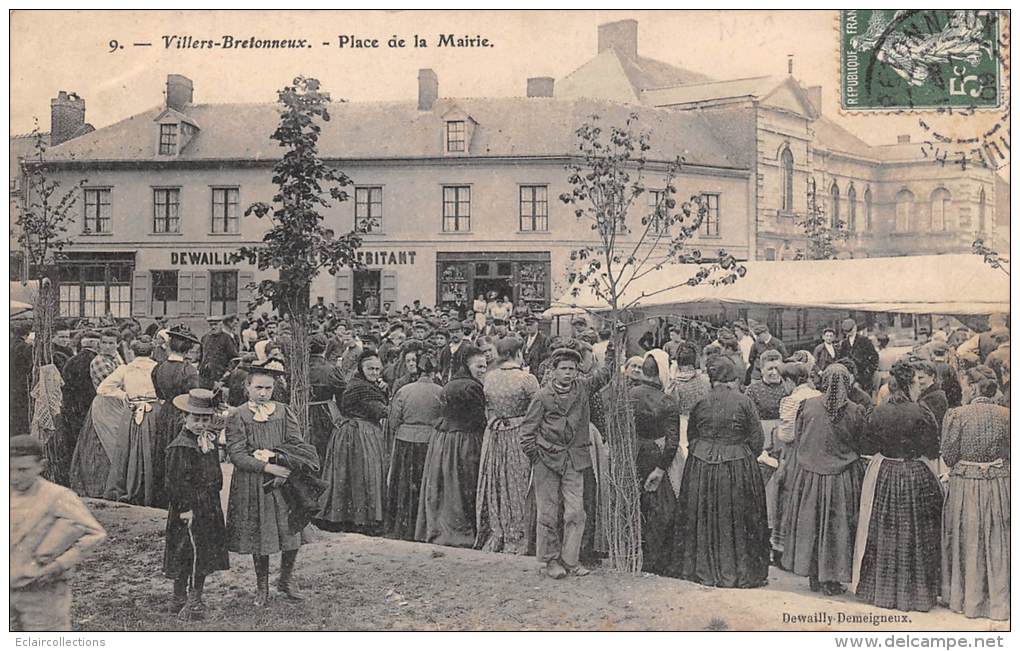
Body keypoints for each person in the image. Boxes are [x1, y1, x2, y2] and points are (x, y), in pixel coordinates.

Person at [669, 356, 769, 588]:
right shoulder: (744, 402)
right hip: (737, 467)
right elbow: (758, 442)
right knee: (736, 518)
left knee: (704, 515)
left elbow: (692, 436)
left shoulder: (701, 402)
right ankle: (739, 571)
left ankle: (704, 568)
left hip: (702, 466)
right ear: (732, 378)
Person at [226, 360, 319, 607]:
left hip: (285, 481)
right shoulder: (238, 415)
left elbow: (296, 443)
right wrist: (267, 467)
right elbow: (236, 454)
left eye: (268, 388)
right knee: (261, 534)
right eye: (258, 388)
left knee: (291, 530)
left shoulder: (283, 411)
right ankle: (262, 586)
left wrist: (285, 467)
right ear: (247, 387)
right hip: (254, 483)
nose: (263, 393)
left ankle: (286, 579)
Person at [852, 360, 942, 612]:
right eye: (916, 382)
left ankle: (882, 591)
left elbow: (867, 446)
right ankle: (916, 595)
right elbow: (933, 449)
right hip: (914, 474)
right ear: (910, 383)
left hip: (885, 474)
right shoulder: (921, 411)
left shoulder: (878, 411)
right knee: (915, 532)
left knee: (885, 533)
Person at [520, 346, 612, 578]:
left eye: (572, 369)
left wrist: (615, 345)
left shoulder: (582, 388)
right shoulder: (542, 397)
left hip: (574, 460)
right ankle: (551, 561)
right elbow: (527, 433)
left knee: (575, 512)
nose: (569, 373)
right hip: (547, 461)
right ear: (554, 370)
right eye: (564, 369)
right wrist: (537, 457)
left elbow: (604, 375)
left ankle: (570, 559)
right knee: (548, 513)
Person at [781, 364, 866, 596]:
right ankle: (832, 578)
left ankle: (813, 575)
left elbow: (798, 438)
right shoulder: (855, 410)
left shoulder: (807, 406)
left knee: (812, 525)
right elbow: (860, 444)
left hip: (809, 476)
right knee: (836, 528)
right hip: (841, 478)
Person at [11, 435, 107, 631]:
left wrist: (58, 565)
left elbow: (94, 534)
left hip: (42, 593)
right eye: (9, 469)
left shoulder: (57, 496)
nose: (14, 477)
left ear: (41, 466)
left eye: (23, 470)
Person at [940, 377, 1010, 621]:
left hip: (966, 485)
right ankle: (998, 600)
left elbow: (948, 456)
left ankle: (966, 598)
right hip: (999, 484)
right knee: (997, 539)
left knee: (967, 538)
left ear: (974, 388)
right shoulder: (1008, 414)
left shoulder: (958, 414)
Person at [164, 389, 230, 621]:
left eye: (205, 419)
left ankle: (188, 597)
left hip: (208, 506)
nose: (201, 424)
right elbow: (175, 483)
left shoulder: (206, 441)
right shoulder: (182, 447)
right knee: (189, 552)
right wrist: (185, 509)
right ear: (185, 418)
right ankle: (187, 600)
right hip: (190, 509)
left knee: (203, 551)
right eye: (196, 419)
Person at [416, 345, 488, 547]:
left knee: (446, 485)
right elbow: (478, 420)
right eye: (479, 366)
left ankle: (442, 529)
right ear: (467, 365)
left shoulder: (449, 384)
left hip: (444, 440)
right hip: (464, 440)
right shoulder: (473, 387)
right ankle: (461, 532)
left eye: (485, 366)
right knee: (463, 485)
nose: (483, 370)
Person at [475, 336, 540, 553]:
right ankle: (519, 534)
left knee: (498, 482)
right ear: (517, 353)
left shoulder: (489, 377)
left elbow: (487, 407)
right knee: (519, 483)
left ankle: (499, 530)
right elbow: (537, 410)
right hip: (518, 435)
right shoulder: (526, 379)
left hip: (495, 434)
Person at [317, 350, 389, 533]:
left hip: (353, 432)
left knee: (351, 475)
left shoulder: (362, 383)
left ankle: (346, 518)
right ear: (361, 368)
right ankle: (361, 520)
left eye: (377, 369)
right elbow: (379, 411)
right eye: (370, 368)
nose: (374, 372)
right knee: (363, 475)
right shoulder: (362, 387)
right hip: (359, 433)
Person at [628, 354, 681, 575]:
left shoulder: (629, 394)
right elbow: (672, 441)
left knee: (635, 505)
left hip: (632, 452)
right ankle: (657, 562)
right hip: (656, 455)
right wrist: (661, 468)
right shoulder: (666, 401)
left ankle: (635, 555)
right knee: (661, 509)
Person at [385, 355, 443, 540]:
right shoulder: (440, 391)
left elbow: (394, 419)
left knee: (403, 484)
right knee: (424, 484)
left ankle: (401, 526)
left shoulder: (404, 390)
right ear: (434, 373)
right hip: (429, 441)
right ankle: (422, 526)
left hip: (405, 440)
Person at [101, 336, 163, 507]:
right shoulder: (158, 368)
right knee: (151, 449)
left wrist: (125, 396)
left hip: (132, 409)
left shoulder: (125, 369)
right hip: (153, 411)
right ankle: (148, 490)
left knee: (128, 449)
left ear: (133, 352)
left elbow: (103, 388)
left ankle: (128, 488)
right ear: (152, 351)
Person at [151, 326, 203, 508]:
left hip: (165, 412)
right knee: (181, 454)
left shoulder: (158, 367)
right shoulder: (188, 370)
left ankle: (161, 497)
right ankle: (180, 498)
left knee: (164, 452)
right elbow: (194, 395)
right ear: (188, 349)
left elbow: (159, 392)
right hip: (182, 413)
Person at [59, 331, 100, 484]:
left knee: (72, 442)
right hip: (86, 407)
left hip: (71, 407)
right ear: (95, 344)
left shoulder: (71, 360)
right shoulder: (95, 361)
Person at [307, 334, 347, 466]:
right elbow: (342, 395)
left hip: (302, 410)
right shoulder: (331, 369)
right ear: (325, 348)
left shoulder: (299, 368)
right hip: (326, 413)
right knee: (325, 448)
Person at [837, 318, 879, 393]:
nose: (848, 333)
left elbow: (874, 357)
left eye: (850, 330)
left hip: (863, 376)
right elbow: (841, 359)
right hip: (850, 376)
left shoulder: (864, 340)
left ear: (855, 328)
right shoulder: (844, 343)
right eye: (846, 331)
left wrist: (869, 371)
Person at [199, 314, 239, 389]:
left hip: (220, 378)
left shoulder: (227, 338)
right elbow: (201, 356)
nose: (213, 327)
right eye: (211, 325)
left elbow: (235, 359)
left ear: (221, 325)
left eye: (215, 324)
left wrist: (226, 375)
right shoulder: (205, 338)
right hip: (205, 378)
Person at [914, 359, 949, 432]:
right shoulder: (930, 394)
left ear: (932, 376)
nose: (917, 382)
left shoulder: (935, 398)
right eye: (915, 379)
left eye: (920, 378)